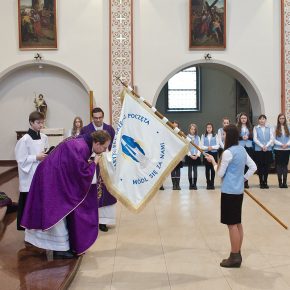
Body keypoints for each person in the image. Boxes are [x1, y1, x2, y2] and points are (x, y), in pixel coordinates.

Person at [21, 130, 111, 259]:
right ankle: (60, 249)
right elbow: (81, 173)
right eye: (103, 147)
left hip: (53, 176)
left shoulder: (83, 143)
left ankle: (61, 247)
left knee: (60, 210)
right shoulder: (80, 147)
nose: (104, 150)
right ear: (97, 143)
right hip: (51, 179)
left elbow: (75, 167)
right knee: (57, 210)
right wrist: (94, 163)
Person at [205, 124, 256, 268]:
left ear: (230, 136)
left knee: (231, 224)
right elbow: (253, 167)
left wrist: (214, 162)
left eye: (224, 134)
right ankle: (237, 252)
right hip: (238, 191)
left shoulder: (227, 153)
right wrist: (243, 179)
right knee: (237, 222)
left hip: (229, 192)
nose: (222, 136)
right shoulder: (242, 149)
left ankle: (234, 257)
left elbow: (220, 173)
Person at [80, 107, 116, 232]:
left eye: (100, 117)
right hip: (92, 164)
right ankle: (91, 219)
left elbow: (114, 146)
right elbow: (82, 147)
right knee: (92, 192)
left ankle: (104, 221)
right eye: (96, 118)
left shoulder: (109, 129)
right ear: (92, 118)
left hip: (106, 164)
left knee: (106, 192)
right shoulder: (85, 130)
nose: (98, 120)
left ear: (103, 116)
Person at [15, 111, 48, 231]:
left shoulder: (44, 137)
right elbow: (20, 159)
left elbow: (44, 151)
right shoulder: (24, 140)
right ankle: (25, 224)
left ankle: (37, 222)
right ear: (31, 123)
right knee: (28, 198)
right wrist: (36, 157)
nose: (41, 125)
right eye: (38, 123)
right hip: (29, 174)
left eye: (42, 122)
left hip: (40, 171)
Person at [253, 114, 274, 189]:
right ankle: (261, 182)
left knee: (266, 167)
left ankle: (265, 181)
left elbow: (272, 138)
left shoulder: (270, 128)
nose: (262, 120)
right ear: (258, 120)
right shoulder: (255, 128)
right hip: (259, 150)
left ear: (265, 120)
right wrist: (262, 146)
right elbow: (255, 139)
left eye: (263, 119)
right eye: (260, 119)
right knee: (260, 166)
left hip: (267, 150)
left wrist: (266, 146)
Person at [237, 112, 254, 189]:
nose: (243, 119)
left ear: (247, 119)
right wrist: (242, 138)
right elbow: (235, 137)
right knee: (241, 165)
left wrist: (248, 137)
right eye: (242, 118)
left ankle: (246, 182)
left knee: (248, 165)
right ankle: (240, 181)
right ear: (240, 119)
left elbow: (253, 137)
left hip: (248, 146)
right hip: (240, 147)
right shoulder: (237, 127)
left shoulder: (250, 127)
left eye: (245, 118)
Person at [201, 122, 219, 189]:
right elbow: (201, 146)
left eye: (210, 127)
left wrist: (212, 147)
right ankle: (208, 183)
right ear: (206, 128)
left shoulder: (215, 135)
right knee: (207, 169)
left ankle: (212, 183)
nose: (209, 129)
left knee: (213, 169)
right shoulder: (203, 135)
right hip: (206, 153)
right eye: (207, 127)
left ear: (212, 128)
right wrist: (207, 148)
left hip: (213, 153)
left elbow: (218, 145)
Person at [273, 113, 290, 188]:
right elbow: (273, 139)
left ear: (285, 119)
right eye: (280, 118)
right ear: (278, 119)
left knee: (285, 166)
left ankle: (285, 183)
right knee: (279, 166)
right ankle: (280, 182)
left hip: (287, 149)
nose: (282, 120)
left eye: (283, 118)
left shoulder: (288, 127)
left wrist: (286, 144)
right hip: (278, 149)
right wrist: (281, 144)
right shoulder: (275, 127)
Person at [185, 124, 201, 190]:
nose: (193, 130)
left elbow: (199, 147)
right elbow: (186, 147)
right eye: (191, 129)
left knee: (195, 170)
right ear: (189, 129)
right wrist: (190, 155)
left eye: (194, 129)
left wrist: (197, 155)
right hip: (189, 156)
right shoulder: (187, 137)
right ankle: (190, 184)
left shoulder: (198, 137)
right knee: (189, 170)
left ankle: (194, 184)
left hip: (196, 156)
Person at [171, 121, 183, 190]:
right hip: (171, 155)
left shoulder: (180, 134)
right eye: (173, 125)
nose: (175, 127)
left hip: (178, 154)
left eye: (176, 126)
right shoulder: (169, 133)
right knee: (172, 169)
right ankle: (174, 185)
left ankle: (178, 185)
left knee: (178, 169)